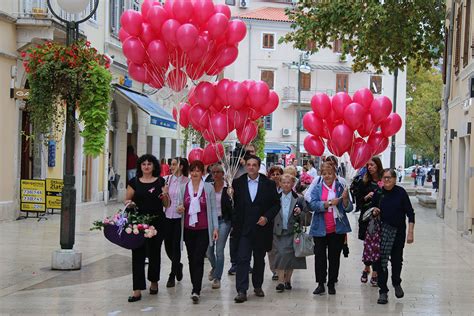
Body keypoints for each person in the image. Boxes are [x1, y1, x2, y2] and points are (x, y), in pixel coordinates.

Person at [232, 155, 280, 303]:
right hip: (244, 229)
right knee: (242, 259)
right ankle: (241, 290)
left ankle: (257, 286)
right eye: (249, 164)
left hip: (261, 229)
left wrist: (266, 217)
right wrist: (230, 197)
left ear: (259, 167)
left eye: (254, 165)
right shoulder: (237, 183)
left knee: (259, 259)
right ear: (246, 166)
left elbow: (275, 205)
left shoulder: (268, 184)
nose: (251, 167)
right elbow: (231, 206)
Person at [124, 154, 169, 302]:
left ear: (154, 166)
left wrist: (166, 195)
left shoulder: (161, 182)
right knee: (137, 255)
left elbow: (166, 205)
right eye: (143, 164)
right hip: (139, 223)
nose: (146, 166)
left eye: (149, 164)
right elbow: (127, 200)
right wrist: (129, 204)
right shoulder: (133, 182)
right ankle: (137, 290)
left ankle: (154, 282)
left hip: (157, 223)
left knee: (154, 253)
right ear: (140, 166)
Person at [177, 160, 218, 304]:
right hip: (188, 229)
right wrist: (180, 209)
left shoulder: (208, 188)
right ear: (189, 172)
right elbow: (179, 206)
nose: (195, 173)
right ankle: (195, 285)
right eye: (192, 170)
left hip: (203, 229)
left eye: (198, 170)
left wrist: (215, 228)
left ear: (202, 172)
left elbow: (213, 209)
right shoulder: (183, 188)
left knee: (199, 258)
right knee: (191, 258)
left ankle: (196, 290)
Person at [371, 169, 415, 304]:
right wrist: (374, 211)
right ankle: (383, 291)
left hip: (398, 232)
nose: (387, 180)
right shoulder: (378, 193)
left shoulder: (401, 193)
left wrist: (410, 232)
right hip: (382, 233)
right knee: (381, 262)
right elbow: (370, 211)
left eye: (389, 178)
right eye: (384, 178)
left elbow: (410, 213)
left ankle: (396, 283)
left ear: (395, 179)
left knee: (396, 260)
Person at [309, 161, 352, 295]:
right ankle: (320, 283)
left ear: (335, 174)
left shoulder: (341, 187)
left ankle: (331, 283)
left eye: (330, 173)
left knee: (334, 258)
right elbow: (312, 205)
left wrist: (344, 200)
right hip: (320, 229)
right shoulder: (317, 188)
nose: (327, 176)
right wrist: (327, 203)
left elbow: (349, 208)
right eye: (324, 173)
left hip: (336, 229)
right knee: (319, 257)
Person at [273, 174, 307, 292]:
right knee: (280, 254)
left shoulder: (299, 198)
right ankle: (280, 281)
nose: (286, 185)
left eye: (289, 182)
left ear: (293, 184)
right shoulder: (275, 197)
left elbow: (306, 216)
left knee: (291, 255)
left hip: (293, 230)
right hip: (278, 231)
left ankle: (288, 279)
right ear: (280, 184)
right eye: (284, 182)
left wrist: (300, 212)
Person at [355, 156, 383, 286]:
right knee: (368, 245)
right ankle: (367, 267)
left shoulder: (383, 181)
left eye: (372, 165)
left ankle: (376, 272)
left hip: (380, 218)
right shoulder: (364, 182)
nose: (370, 167)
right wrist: (366, 197)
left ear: (378, 165)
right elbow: (358, 201)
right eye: (368, 165)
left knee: (378, 246)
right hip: (367, 218)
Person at [162, 157, 189, 288]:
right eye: (170, 164)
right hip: (167, 217)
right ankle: (178, 265)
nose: (171, 167)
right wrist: (164, 194)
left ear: (181, 166)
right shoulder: (167, 179)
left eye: (173, 164)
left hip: (179, 219)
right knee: (167, 246)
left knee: (175, 246)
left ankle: (172, 274)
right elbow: (164, 200)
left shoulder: (187, 181)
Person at [206, 164, 233, 289]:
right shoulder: (208, 187)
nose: (215, 174)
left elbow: (233, 206)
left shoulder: (228, 188)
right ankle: (215, 267)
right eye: (213, 172)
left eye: (218, 172)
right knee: (209, 251)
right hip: (210, 221)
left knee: (219, 250)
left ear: (223, 174)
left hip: (224, 221)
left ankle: (217, 277)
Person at [267, 165, 284, 280]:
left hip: (283, 221)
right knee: (272, 248)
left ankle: (282, 269)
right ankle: (274, 270)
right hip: (270, 221)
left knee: (282, 247)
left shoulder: (286, 188)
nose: (275, 176)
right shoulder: (266, 188)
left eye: (278, 174)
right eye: (273, 174)